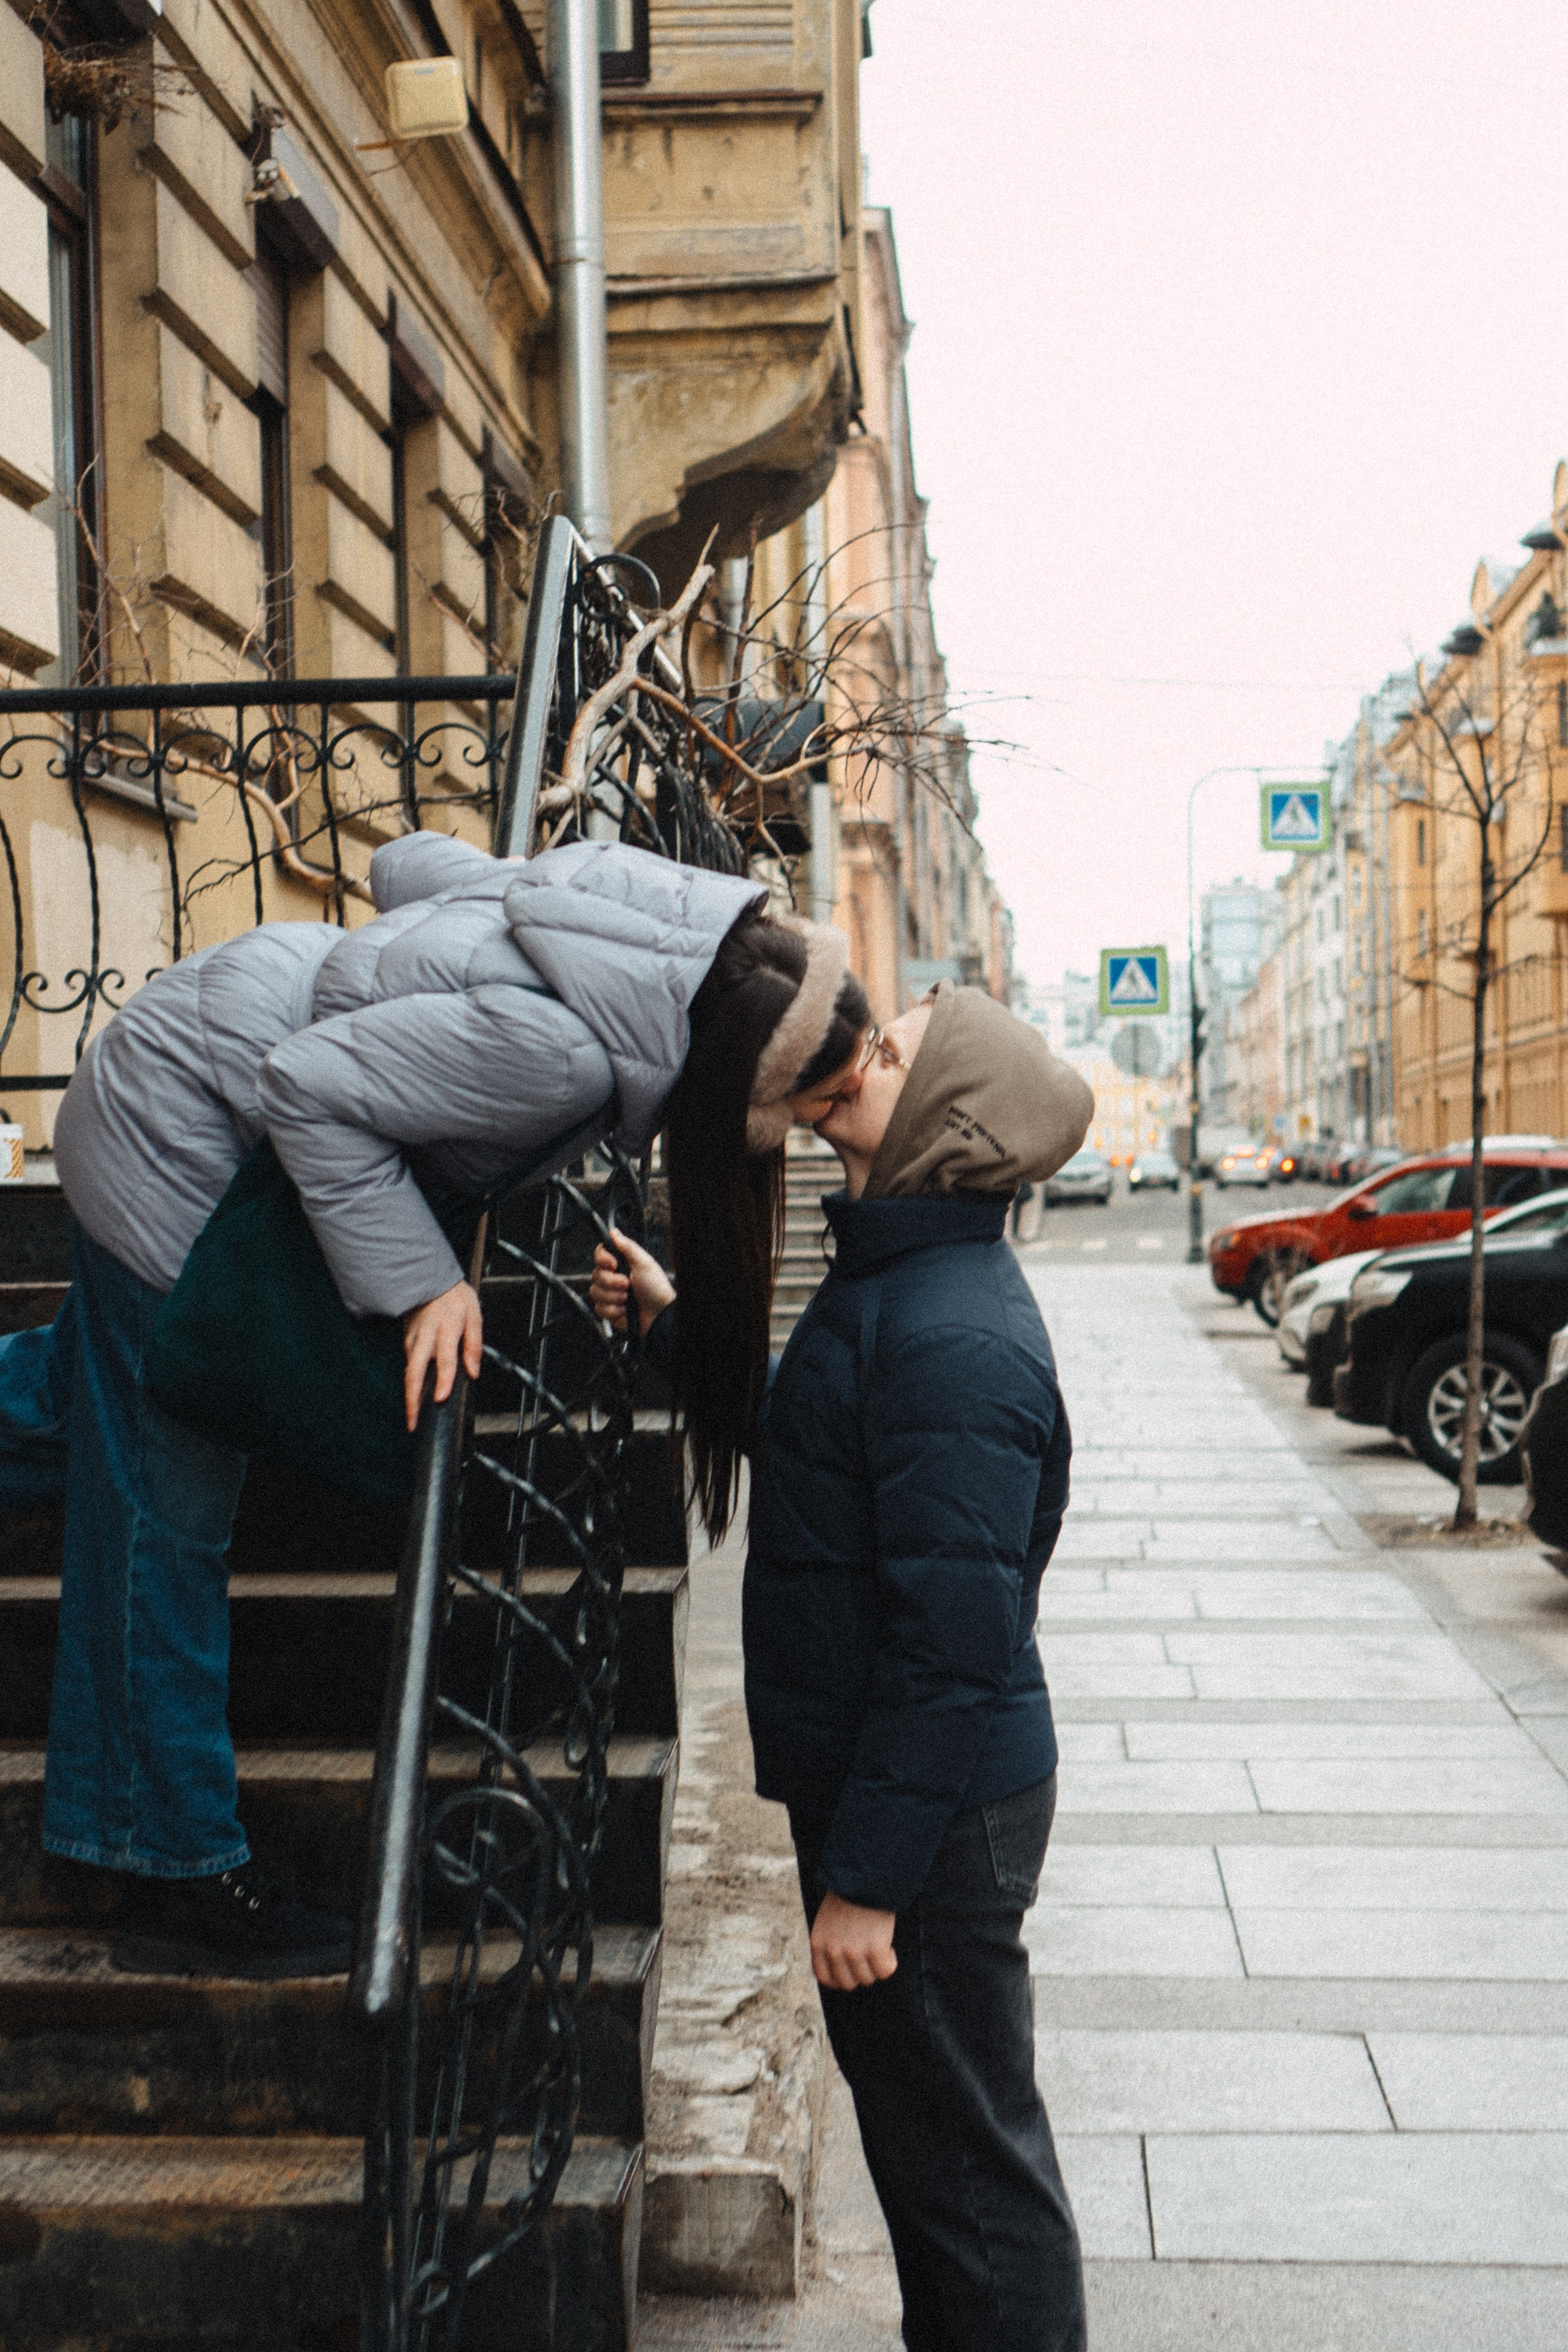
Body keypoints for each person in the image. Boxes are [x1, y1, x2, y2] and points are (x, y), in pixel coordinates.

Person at [3, 832, 869, 1978]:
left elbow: (405, 864)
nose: (808, 1128)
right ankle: (170, 1872)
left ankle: (160, 1845)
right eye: (808, 1108)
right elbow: (306, 1086)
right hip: (181, 1130)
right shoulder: (562, 1056)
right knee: (165, 1500)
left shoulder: (607, 916)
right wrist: (426, 1281)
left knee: (77, 1405)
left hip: (198, 1042)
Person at [592, 980, 1095, 2352]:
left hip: (926, 1830)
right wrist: (672, 1323)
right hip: (906, 1803)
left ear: (940, 1116)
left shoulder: (950, 1332)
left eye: (889, 1053)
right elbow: (824, 1438)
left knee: (971, 2191)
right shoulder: (900, 1286)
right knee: (941, 2177)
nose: (854, 1055)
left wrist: (866, 1884)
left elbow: (954, 1645)